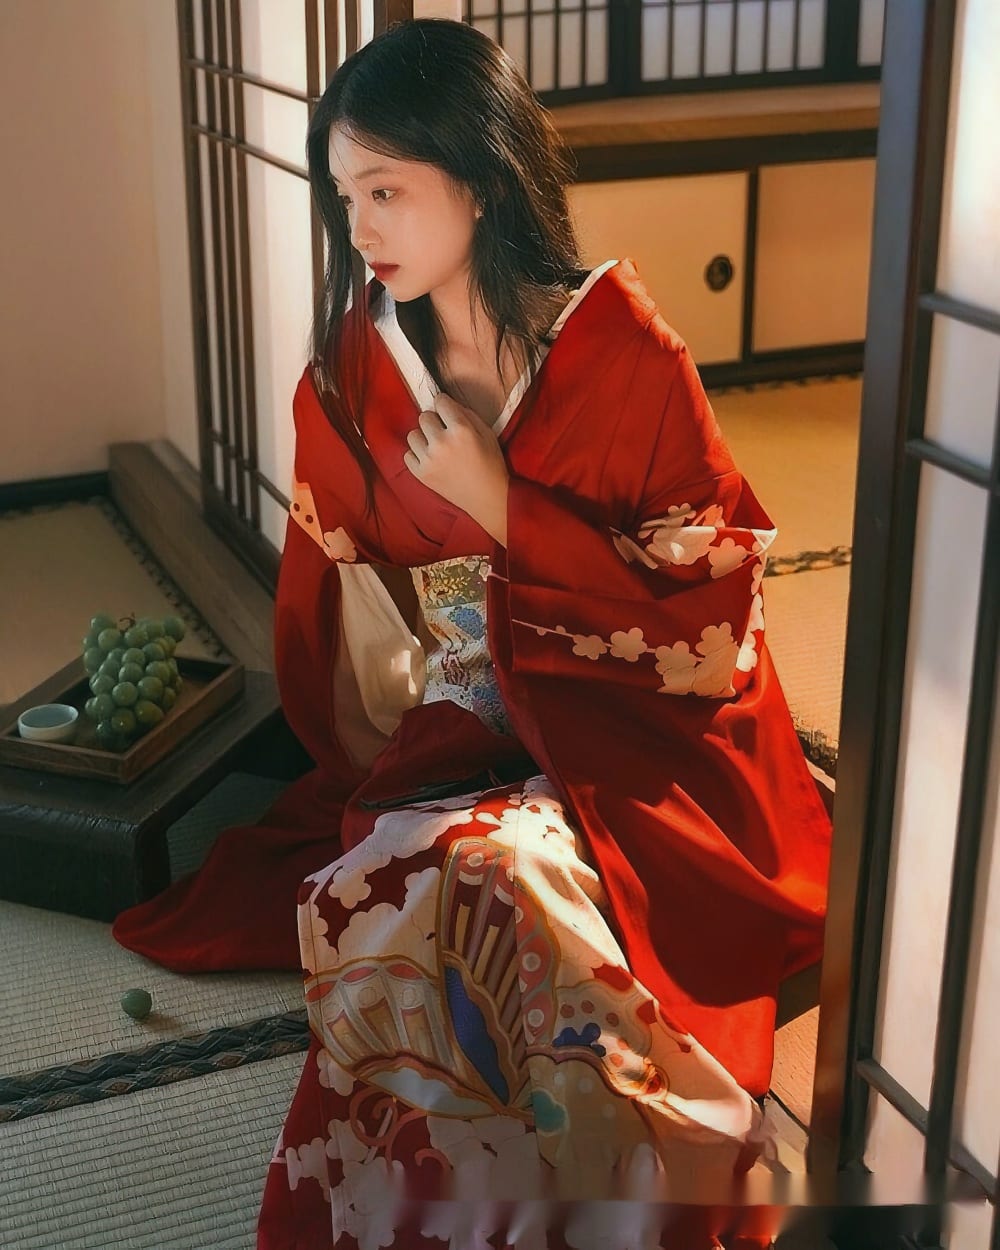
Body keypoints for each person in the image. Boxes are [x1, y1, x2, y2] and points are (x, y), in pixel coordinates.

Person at [113, 18, 831, 1249]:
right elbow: (335, 596)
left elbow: (711, 622)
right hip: (466, 732)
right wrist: (425, 698)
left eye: (388, 190)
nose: (363, 229)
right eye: (347, 197)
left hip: (644, 746)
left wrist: (509, 510)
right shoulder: (354, 368)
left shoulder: (625, 356)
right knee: (404, 878)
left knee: (490, 880)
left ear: (486, 182)